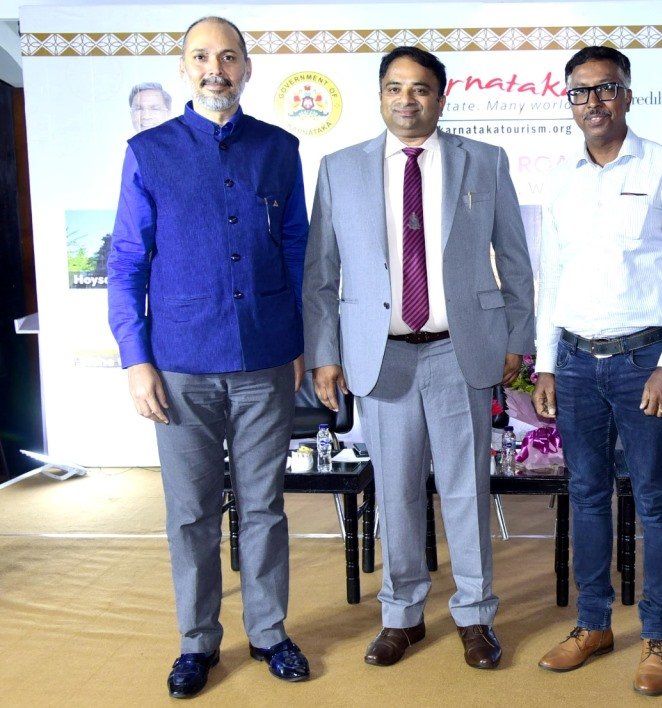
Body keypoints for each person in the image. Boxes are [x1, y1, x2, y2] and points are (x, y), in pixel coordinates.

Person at [303, 46, 535, 671]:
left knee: (466, 490)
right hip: (383, 358)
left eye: (421, 89)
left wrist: (520, 337)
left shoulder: (483, 160)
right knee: (397, 492)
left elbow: (514, 258)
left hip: (462, 350)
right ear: (380, 95)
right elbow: (321, 273)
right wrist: (324, 353)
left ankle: (475, 615)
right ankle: (401, 616)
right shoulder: (339, 169)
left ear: (441, 95)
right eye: (395, 88)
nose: (407, 100)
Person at [107, 16, 310, 699]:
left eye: (227, 56)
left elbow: (296, 250)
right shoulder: (148, 152)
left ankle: (269, 632)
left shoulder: (279, 148)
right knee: (191, 512)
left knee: (264, 508)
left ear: (247, 67)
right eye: (201, 57)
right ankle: (197, 641)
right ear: (183, 67)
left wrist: (301, 343)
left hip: (265, 361)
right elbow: (127, 261)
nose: (215, 69)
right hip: (179, 365)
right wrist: (136, 359)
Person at [531, 45, 662, 697]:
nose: (594, 102)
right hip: (575, 361)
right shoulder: (561, 181)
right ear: (570, 102)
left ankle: (659, 636)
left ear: (628, 96)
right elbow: (551, 277)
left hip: (643, 361)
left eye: (606, 88)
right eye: (580, 92)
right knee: (585, 494)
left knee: (655, 500)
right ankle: (593, 624)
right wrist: (545, 363)